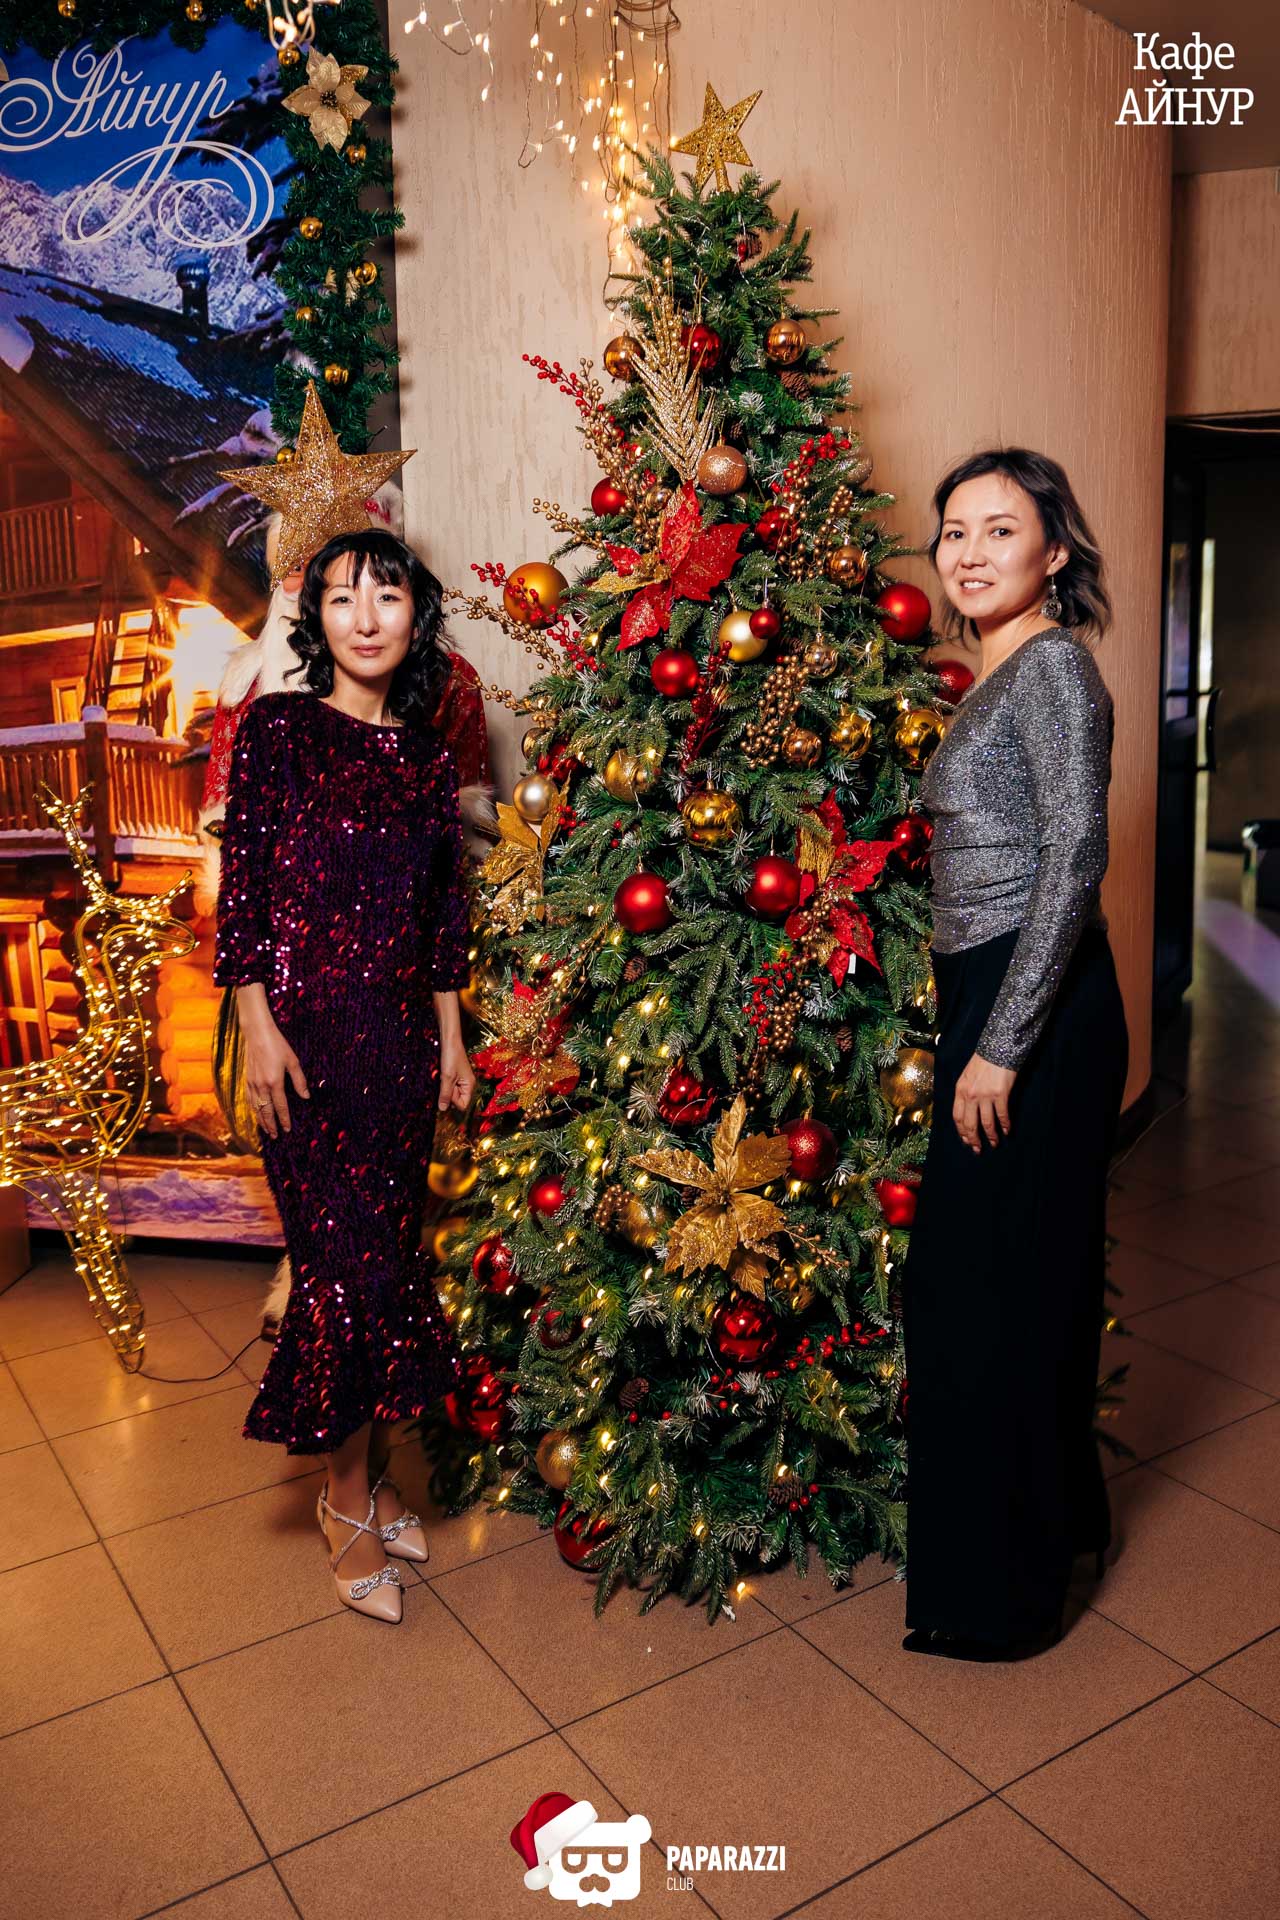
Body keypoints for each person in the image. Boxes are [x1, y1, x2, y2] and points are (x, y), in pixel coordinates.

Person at [213, 527, 477, 1625]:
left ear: (417, 614)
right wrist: (256, 1024)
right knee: (340, 1273)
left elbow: (442, 917)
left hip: (401, 1046)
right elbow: (242, 888)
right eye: (340, 598)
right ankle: (343, 1500)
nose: (365, 618)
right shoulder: (277, 730)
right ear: (315, 619)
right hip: (304, 1043)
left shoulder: (428, 758)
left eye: (387, 596)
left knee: (387, 1264)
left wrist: (452, 1041)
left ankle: (369, 1484)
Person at [900, 447, 1129, 1662]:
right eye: (953, 531)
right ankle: (1064, 1522)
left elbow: (1075, 856)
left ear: (1053, 549)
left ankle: (1005, 1595)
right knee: (1013, 1281)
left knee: (983, 1293)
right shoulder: (996, 669)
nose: (969, 551)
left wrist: (998, 1045)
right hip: (991, 989)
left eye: (999, 528)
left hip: (1030, 1003)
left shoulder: (1050, 668)